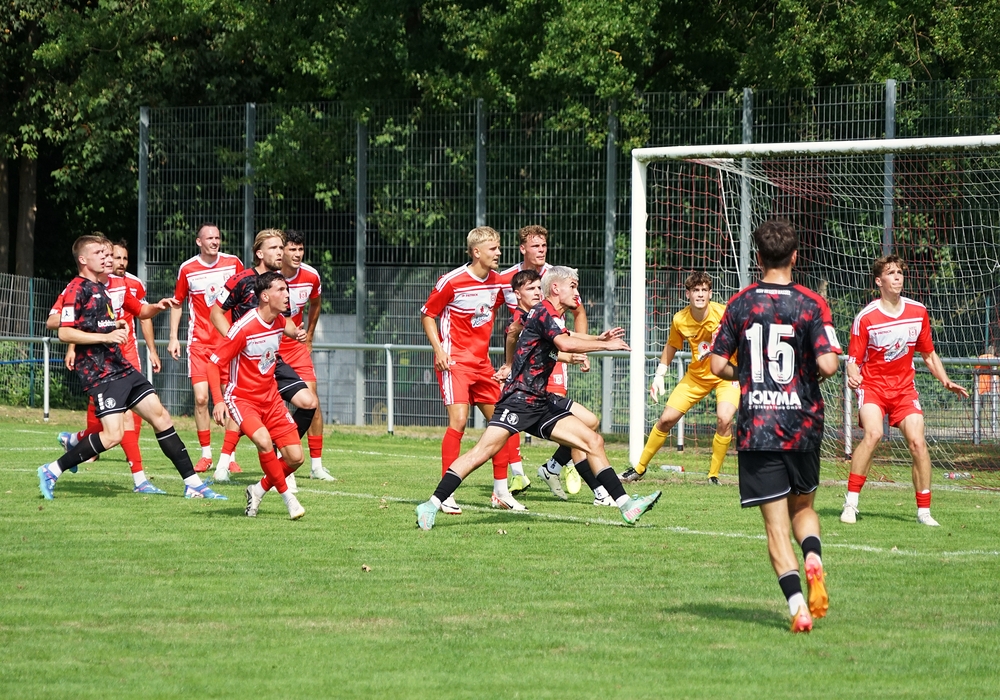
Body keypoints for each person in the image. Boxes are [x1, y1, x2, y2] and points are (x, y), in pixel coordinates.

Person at [416, 266, 661, 530]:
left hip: (540, 402)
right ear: (556, 288)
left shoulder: (547, 314)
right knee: (481, 452)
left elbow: (536, 333)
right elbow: (564, 343)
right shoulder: (544, 311)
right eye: (573, 286)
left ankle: (626, 505)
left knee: (593, 441)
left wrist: (596, 338)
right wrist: (604, 345)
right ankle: (431, 504)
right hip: (519, 401)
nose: (577, 292)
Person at [709, 219, 841, 634]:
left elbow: (716, 364)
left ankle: (798, 607)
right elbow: (829, 364)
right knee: (804, 508)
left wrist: (748, 374)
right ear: (795, 256)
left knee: (775, 526)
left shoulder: (740, 303)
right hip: (803, 424)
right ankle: (813, 556)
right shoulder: (812, 303)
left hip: (759, 428)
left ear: (759, 257)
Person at [38, 235, 227, 500]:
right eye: (99, 254)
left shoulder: (103, 287)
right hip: (100, 373)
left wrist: (149, 311)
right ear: (83, 259)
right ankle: (52, 470)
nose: (106, 258)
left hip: (121, 366)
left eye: (108, 253)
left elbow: (121, 315)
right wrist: (106, 336)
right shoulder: (76, 289)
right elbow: (65, 332)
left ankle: (193, 484)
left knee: (161, 417)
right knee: (112, 435)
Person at [840, 255, 969, 527]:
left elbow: (929, 354)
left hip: (904, 390)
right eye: (891, 273)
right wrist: (853, 375)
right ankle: (851, 503)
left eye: (899, 272)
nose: (897, 277)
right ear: (879, 281)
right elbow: (853, 361)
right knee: (874, 434)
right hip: (873, 387)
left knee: (918, 443)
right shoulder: (866, 317)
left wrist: (945, 380)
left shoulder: (918, 311)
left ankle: (924, 512)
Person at [209, 229, 319, 489]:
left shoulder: (280, 283)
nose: (280, 252)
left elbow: (285, 321)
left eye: (281, 248)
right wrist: (236, 343)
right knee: (243, 407)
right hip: (246, 361)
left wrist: (296, 332)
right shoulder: (241, 280)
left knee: (309, 402)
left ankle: (285, 453)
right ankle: (224, 463)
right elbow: (215, 313)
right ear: (259, 253)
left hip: (272, 360)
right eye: (274, 248)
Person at [497, 269, 616, 506]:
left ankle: (553, 467)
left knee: (589, 423)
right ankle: (600, 492)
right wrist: (509, 365)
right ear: (517, 294)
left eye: (538, 287)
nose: (536, 292)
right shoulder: (529, 315)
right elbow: (515, 338)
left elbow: (556, 342)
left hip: (546, 384)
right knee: (580, 435)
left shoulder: (545, 312)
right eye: (531, 288)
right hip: (532, 388)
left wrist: (595, 341)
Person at [420, 226, 516, 513]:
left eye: (498, 248)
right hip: (455, 363)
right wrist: (439, 350)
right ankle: (445, 494)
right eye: (493, 249)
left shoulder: (498, 282)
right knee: (459, 422)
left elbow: (517, 309)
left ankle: (501, 492)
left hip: (483, 365)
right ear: (476, 252)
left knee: (503, 424)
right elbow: (428, 314)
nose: (499, 253)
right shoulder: (452, 281)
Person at [620, 272, 739, 485]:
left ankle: (713, 476)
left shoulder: (724, 313)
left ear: (710, 294)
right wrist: (659, 374)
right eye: (695, 290)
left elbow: (743, 336)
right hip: (697, 377)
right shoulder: (680, 319)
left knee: (724, 418)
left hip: (726, 374)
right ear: (687, 294)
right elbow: (672, 345)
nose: (700, 294)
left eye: (704, 290)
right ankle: (639, 468)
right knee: (666, 419)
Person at [497, 224, 589, 497]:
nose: (541, 250)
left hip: (553, 353)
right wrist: (508, 361)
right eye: (535, 246)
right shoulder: (505, 279)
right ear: (522, 248)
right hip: (526, 360)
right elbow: (505, 323)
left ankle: (564, 463)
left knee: (565, 413)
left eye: (544, 245)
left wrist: (581, 349)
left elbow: (579, 312)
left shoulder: (557, 277)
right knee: (513, 413)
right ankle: (516, 473)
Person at [207, 272, 307, 520]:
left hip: (270, 398)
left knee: (296, 458)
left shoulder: (279, 321)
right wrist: (218, 401)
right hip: (242, 399)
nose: (287, 294)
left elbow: (288, 326)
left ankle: (258, 490)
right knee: (264, 441)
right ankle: (289, 499)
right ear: (265, 296)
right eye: (281, 290)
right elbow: (213, 363)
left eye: (287, 289)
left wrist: (297, 334)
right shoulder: (244, 328)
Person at [168, 223, 244, 472]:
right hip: (199, 344)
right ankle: (206, 454)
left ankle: (229, 457)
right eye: (209, 238)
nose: (214, 241)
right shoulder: (187, 268)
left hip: (227, 343)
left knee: (230, 398)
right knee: (201, 399)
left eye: (217, 237)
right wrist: (173, 337)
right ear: (199, 242)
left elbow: (245, 297)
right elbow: (177, 303)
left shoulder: (233, 263)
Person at [280, 229, 335, 481]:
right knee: (270, 406)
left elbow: (315, 303)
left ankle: (316, 466)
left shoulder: (311, 275)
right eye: (292, 249)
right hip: (271, 349)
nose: (297, 254)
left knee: (313, 402)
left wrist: (309, 336)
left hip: (297, 348)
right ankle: (226, 459)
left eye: (300, 249)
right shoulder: (269, 276)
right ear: (282, 251)